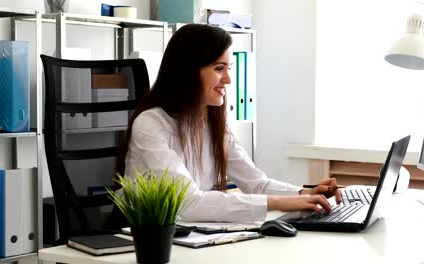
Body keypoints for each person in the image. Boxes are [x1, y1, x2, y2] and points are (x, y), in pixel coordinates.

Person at [117, 24, 341, 222]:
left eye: (228, 68)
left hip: (186, 233)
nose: (228, 79)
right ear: (188, 72)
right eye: (218, 68)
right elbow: (188, 203)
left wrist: (304, 194)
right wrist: (279, 203)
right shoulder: (150, 125)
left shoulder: (210, 123)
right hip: (141, 240)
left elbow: (257, 184)